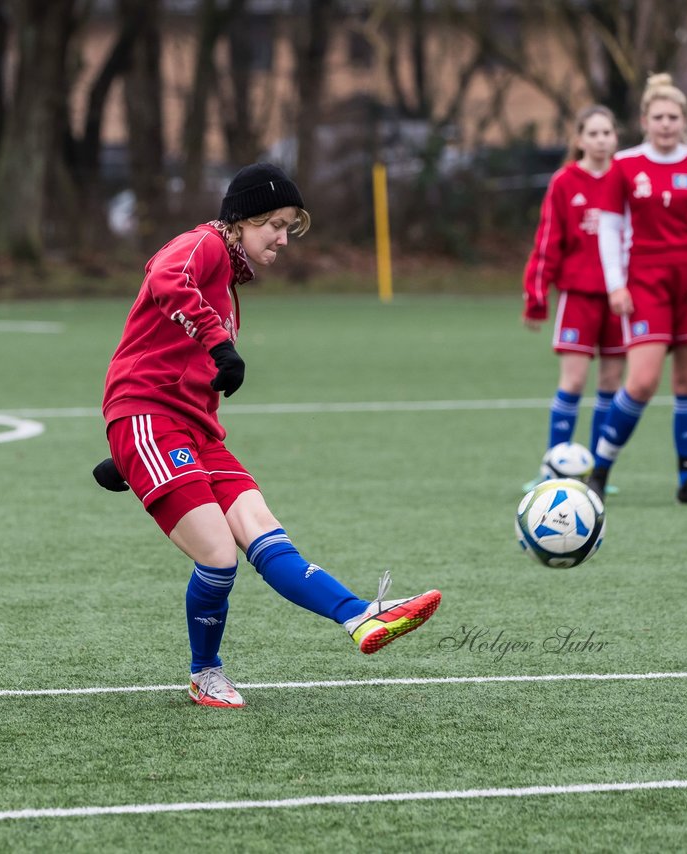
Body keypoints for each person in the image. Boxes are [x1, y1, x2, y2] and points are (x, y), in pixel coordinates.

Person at [91, 162, 442, 710]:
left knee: (262, 530)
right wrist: (217, 346)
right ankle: (205, 673)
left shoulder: (229, 285)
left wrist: (128, 459)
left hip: (190, 431)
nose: (282, 237)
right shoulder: (204, 244)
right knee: (217, 555)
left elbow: (177, 363)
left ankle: (359, 616)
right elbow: (164, 280)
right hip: (151, 420)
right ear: (242, 219)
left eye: (289, 226)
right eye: (274, 224)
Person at [587, 74, 687, 503]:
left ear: (684, 121)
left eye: (673, 117)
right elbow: (610, 227)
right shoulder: (626, 166)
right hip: (646, 283)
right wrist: (616, 285)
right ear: (644, 120)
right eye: (658, 117)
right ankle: (600, 471)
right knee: (642, 382)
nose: (666, 124)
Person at [521, 105, 626, 492]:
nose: (601, 140)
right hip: (579, 296)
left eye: (607, 133)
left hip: (621, 299)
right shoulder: (565, 181)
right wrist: (537, 295)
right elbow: (548, 242)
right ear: (579, 139)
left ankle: (598, 472)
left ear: (616, 137)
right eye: (593, 133)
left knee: (612, 383)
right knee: (574, 381)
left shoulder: (626, 178)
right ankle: (553, 466)